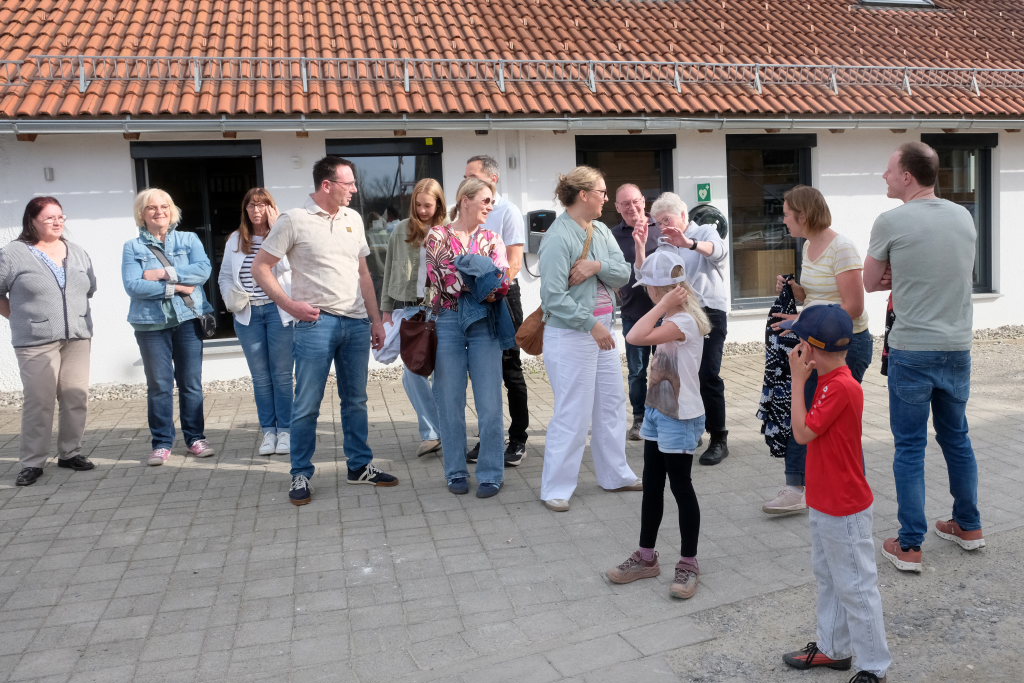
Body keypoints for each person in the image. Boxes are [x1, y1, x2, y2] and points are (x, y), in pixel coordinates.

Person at [864, 141, 984, 573]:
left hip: (912, 350)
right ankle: (968, 525)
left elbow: (869, 281)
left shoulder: (891, 221)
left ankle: (910, 545)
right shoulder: (963, 216)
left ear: (907, 176)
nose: (884, 176)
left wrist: (899, 270)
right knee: (957, 438)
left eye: (889, 170)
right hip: (957, 347)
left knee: (910, 447)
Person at [252, 156, 398, 506]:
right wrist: (289, 305)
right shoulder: (294, 220)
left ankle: (359, 466)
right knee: (307, 404)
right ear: (327, 185)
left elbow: (363, 274)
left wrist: (375, 320)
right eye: (349, 184)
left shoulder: (353, 219)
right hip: (316, 325)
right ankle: (300, 472)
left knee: (356, 401)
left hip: (356, 323)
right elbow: (261, 267)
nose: (355, 190)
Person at [779, 304, 891, 683]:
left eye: (799, 342)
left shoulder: (842, 386)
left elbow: (801, 433)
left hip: (844, 506)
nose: (796, 350)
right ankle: (833, 647)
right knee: (829, 576)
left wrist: (797, 381)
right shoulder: (830, 380)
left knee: (857, 586)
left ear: (810, 349)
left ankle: (874, 667)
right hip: (826, 500)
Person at [606, 249, 710, 599]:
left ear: (658, 290)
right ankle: (646, 557)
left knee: (681, 487)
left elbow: (634, 336)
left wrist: (663, 305)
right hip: (658, 410)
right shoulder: (672, 317)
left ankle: (689, 563)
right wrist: (665, 305)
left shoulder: (682, 322)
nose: (647, 294)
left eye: (649, 288)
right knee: (652, 484)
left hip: (680, 416)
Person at [762, 185, 872, 515]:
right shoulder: (810, 245)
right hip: (816, 345)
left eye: (787, 214)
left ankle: (832, 488)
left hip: (845, 348)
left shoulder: (842, 248)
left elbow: (853, 307)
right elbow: (817, 297)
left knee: (824, 418)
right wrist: (796, 290)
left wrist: (801, 320)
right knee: (807, 412)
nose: (783, 220)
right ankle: (804, 486)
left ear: (804, 215)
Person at [538, 166, 640, 512]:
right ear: (583, 195)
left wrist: (596, 267)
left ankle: (616, 475)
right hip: (572, 335)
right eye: (602, 192)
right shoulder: (557, 237)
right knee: (573, 412)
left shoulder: (600, 230)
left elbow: (623, 273)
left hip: (602, 331)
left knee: (610, 405)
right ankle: (556, 488)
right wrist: (591, 324)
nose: (606, 199)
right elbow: (553, 298)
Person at [424, 177, 513, 498]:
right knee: (449, 402)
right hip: (447, 322)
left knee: (489, 403)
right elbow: (441, 278)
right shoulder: (438, 235)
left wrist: (473, 276)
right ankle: (456, 471)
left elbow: (501, 282)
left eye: (492, 202)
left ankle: (491, 473)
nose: (490, 206)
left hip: (485, 325)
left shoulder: (493, 237)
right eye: (485, 200)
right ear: (465, 200)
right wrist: (481, 277)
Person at [0, 197, 96, 486]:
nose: (57, 222)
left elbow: (90, 288)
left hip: (77, 335)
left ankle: (70, 452)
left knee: (75, 396)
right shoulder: (13, 253)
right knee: (39, 401)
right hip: (35, 341)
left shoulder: (77, 251)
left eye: (60, 217)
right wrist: (17, 316)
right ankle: (32, 462)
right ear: (32, 221)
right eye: (49, 218)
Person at [121, 188, 216, 466]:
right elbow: (133, 285)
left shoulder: (189, 239)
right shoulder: (132, 247)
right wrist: (177, 287)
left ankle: (195, 438)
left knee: (191, 384)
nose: (159, 212)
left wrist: (162, 274)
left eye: (164, 206)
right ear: (142, 214)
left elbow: (203, 271)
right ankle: (162, 443)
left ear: (172, 210)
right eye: (151, 207)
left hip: (187, 319)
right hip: (150, 324)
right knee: (159, 386)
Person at [643, 192, 731, 465]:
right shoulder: (665, 243)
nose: (663, 227)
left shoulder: (704, 231)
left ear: (683, 215)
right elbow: (650, 275)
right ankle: (691, 427)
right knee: (677, 373)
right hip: (678, 312)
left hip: (708, 310)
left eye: (666, 220)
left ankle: (719, 438)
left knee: (707, 374)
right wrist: (640, 245)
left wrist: (689, 243)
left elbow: (719, 252)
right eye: (658, 222)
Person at [463, 155, 529, 466]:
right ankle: (490, 437)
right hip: (474, 297)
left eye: (473, 175)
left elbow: (515, 262)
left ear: (493, 179)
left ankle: (518, 438)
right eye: (465, 176)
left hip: (503, 296)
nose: (467, 181)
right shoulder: (466, 210)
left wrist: (494, 290)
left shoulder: (508, 211)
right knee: (483, 371)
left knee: (510, 369)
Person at [218, 187, 294, 457]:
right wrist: (231, 299)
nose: (256, 210)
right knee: (261, 378)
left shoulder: (284, 236)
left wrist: (276, 232)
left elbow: (288, 268)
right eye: (251, 205)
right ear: (245, 210)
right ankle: (269, 432)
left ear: (272, 208)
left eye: (262, 205)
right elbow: (225, 275)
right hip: (248, 314)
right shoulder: (236, 239)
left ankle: (286, 431)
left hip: (278, 312)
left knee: (282, 376)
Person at [381, 178, 444, 458]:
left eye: (428, 205)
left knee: (442, 373)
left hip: (443, 309)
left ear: (438, 204)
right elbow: (389, 271)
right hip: (411, 310)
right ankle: (436, 430)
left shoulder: (448, 230)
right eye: (418, 205)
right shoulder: (401, 230)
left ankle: (434, 433)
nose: (422, 210)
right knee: (413, 372)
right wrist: (386, 309)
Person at [609, 184, 661, 441]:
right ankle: (639, 418)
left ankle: (664, 416)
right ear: (617, 208)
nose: (631, 207)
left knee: (665, 368)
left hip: (663, 314)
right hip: (633, 313)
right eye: (625, 203)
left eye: (635, 201)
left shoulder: (661, 228)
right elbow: (607, 268)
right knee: (637, 372)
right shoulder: (612, 236)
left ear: (644, 201)